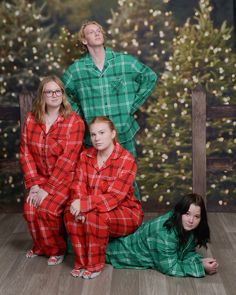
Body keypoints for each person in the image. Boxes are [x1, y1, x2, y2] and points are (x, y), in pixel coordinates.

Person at [61, 20, 157, 159]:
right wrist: (79, 114)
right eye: (91, 32)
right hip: (95, 137)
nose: (97, 33)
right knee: (97, 178)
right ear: (84, 40)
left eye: (98, 31)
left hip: (122, 130)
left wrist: (133, 104)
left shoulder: (124, 61)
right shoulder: (76, 70)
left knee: (127, 178)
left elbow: (150, 77)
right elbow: (60, 92)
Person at [64, 116, 144, 279]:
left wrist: (84, 204)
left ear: (113, 133)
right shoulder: (85, 156)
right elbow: (78, 184)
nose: (97, 138)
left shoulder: (126, 160)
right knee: (70, 213)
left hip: (124, 211)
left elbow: (115, 197)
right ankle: (81, 262)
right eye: (93, 134)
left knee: (94, 217)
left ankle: (94, 265)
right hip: (92, 206)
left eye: (101, 133)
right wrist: (78, 204)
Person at [20, 75, 85, 266]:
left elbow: (68, 160)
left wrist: (47, 189)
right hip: (39, 180)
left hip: (64, 179)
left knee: (47, 210)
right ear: (42, 95)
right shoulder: (32, 119)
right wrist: (34, 185)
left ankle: (56, 249)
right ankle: (41, 246)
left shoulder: (74, 122)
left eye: (58, 91)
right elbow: (25, 153)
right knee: (30, 210)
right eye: (49, 91)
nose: (54, 95)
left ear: (62, 94)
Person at [106, 193, 219, 277]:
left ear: (201, 218)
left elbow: (184, 251)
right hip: (119, 250)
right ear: (179, 213)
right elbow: (170, 268)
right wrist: (201, 267)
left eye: (196, 216)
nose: (191, 220)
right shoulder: (166, 233)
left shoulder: (190, 227)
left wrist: (200, 261)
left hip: (136, 238)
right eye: (187, 214)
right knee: (100, 249)